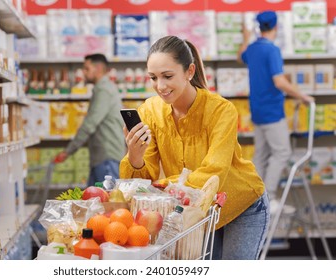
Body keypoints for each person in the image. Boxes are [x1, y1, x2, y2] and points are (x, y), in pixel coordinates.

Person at [119, 35, 269, 260]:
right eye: (153, 77)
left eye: (168, 76)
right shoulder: (150, 111)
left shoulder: (220, 110)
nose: (160, 86)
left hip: (242, 206)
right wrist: (135, 156)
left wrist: (163, 186)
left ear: (189, 72)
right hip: (200, 212)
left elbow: (213, 173)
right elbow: (142, 181)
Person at [237, 11, 314, 214]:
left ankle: (256, 200)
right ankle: (269, 197)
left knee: (261, 155)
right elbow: (279, 81)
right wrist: (302, 96)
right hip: (272, 112)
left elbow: (240, 56)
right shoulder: (271, 50)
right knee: (282, 152)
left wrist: (246, 37)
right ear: (276, 27)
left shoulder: (253, 48)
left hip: (257, 111)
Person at [54, 53, 125, 186]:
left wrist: (69, 150)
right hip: (103, 156)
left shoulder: (103, 90)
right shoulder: (106, 88)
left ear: (98, 69)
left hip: (107, 156)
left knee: (107, 202)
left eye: (86, 69)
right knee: (95, 201)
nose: (84, 73)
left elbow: (90, 123)